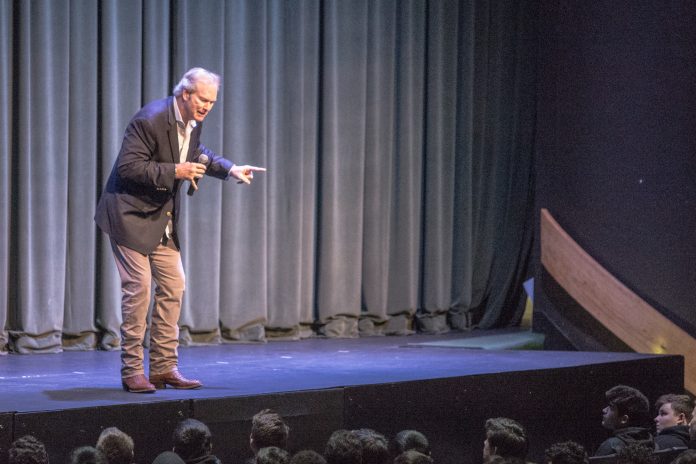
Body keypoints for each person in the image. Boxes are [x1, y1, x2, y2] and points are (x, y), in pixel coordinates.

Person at [95, 67, 265, 393]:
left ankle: (162, 368)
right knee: (139, 289)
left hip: (160, 218)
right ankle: (132, 371)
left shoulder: (192, 122)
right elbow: (129, 167)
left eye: (212, 102)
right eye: (203, 99)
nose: (207, 107)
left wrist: (230, 169)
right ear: (185, 93)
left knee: (174, 285)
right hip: (128, 215)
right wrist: (177, 170)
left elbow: (197, 154)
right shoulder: (149, 120)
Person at [595, 385, 654, 456]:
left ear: (624, 419)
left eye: (611, 407)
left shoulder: (611, 447)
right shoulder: (653, 444)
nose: (604, 410)